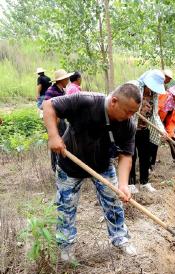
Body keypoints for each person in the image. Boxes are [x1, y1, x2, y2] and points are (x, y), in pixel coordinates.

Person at [43, 83, 141, 262]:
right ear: (114, 101)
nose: (130, 117)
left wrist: (123, 185)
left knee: (113, 202)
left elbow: (126, 156)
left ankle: (120, 238)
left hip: (103, 165)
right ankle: (66, 246)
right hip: (70, 165)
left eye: (133, 113)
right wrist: (53, 135)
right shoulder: (85, 101)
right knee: (66, 207)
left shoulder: (128, 125)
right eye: (128, 111)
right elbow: (49, 105)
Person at [128, 70, 167, 193]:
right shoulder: (134, 88)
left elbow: (154, 114)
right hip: (130, 129)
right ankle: (130, 183)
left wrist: (162, 130)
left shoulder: (153, 94)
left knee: (145, 156)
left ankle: (145, 182)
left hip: (144, 129)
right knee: (131, 156)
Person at [44, 69, 74, 171]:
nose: (68, 81)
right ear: (62, 80)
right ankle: (55, 166)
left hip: (61, 120)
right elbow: (45, 106)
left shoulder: (62, 90)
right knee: (56, 142)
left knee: (63, 141)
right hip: (55, 121)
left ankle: (62, 165)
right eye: (67, 79)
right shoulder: (51, 90)